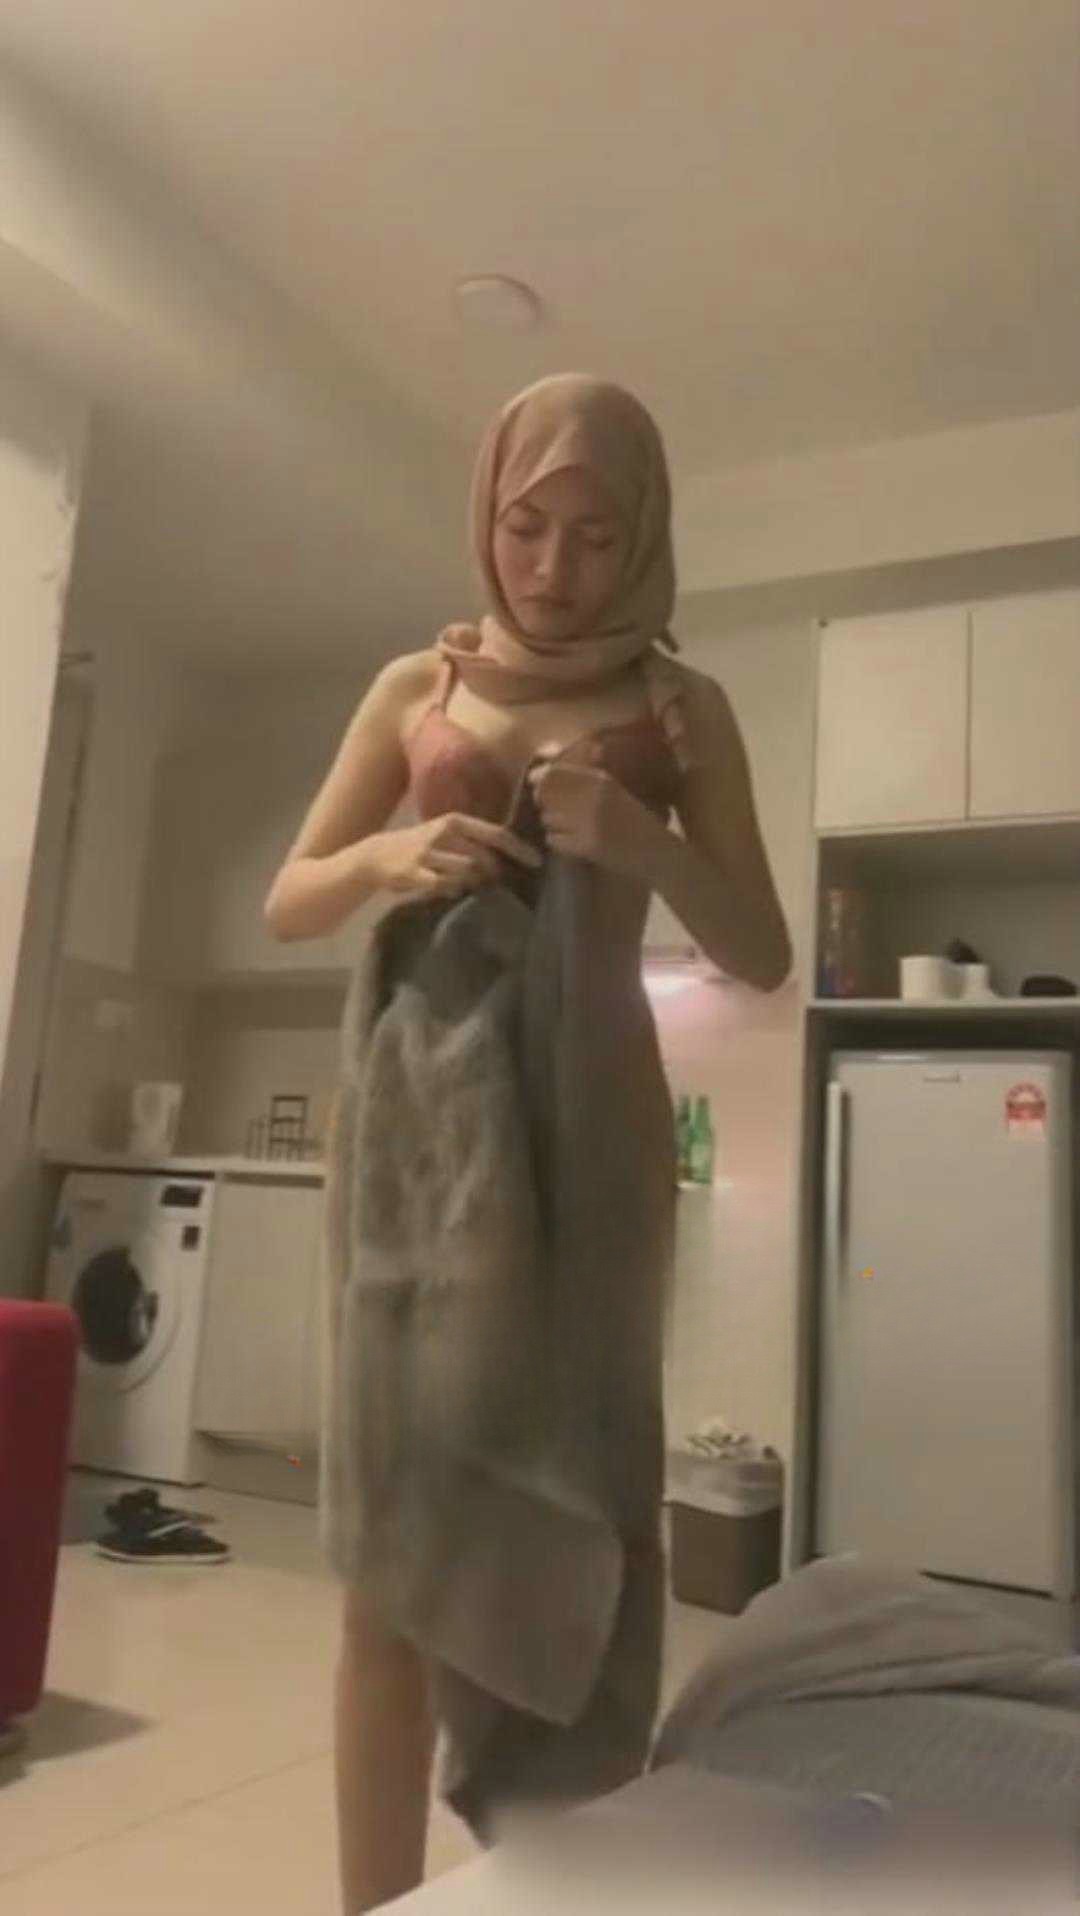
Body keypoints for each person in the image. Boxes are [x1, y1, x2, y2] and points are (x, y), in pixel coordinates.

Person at [264, 373, 791, 1914]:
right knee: (393, 1552)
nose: (552, 568)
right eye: (524, 524)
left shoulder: (686, 711)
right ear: (485, 516)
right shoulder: (411, 686)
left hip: (591, 1154)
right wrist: (387, 852)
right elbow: (289, 899)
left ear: (645, 539)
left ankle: (559, 1886)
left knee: (588, 1529)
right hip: (416, 1155)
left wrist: (651, 843)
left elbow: (762, 950)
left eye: (594, 534)